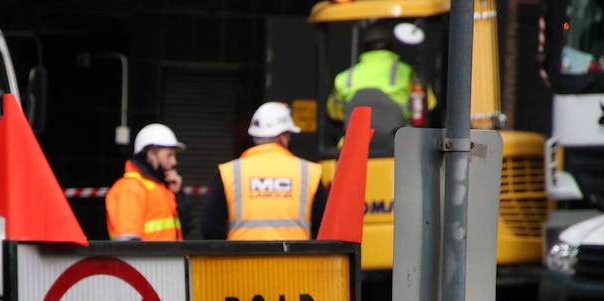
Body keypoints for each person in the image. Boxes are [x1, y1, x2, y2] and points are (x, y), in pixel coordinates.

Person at [201, 102, 328, 241]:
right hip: (295, 262)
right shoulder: (309, 173)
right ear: (282, 137)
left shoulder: (230, 173)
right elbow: (323, 229)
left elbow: (211, 229)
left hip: (241, 262)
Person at [326, 21, 436, 124]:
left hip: (356, 142)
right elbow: (429, 105)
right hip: (399, 141)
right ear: (391, 45)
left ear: (364, 46)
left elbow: (334, 113)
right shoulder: (408, 74)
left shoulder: (343, 78)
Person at [106, 123, 192, 241]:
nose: (174, 162)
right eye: (169, 155)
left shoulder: (161, 187)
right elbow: (128, 244)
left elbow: (184, 228)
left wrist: (178, 195)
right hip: (152, 260)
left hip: (169, 259)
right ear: (151, 154)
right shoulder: (131, 187)